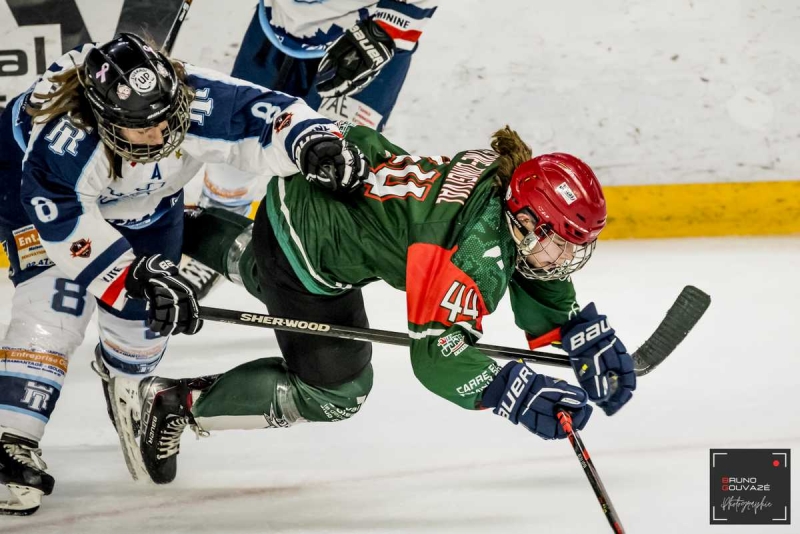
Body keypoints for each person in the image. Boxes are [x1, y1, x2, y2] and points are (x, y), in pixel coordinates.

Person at [109, 125, 638, 485]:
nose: (566, 256)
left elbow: (527, 267)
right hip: (310, 248)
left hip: (320, 198)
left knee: (265, 262)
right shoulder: (473, 254)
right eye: (561, 241)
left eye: (575, 244)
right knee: (339, 390)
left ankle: (171, 225)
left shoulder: (501, 182)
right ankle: (169, 405)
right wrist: (512, 391)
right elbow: (438, 358)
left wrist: (574, 330)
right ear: (524, 219)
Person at [0, 32, 369, 514]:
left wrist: (313, 142)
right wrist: (125, 274)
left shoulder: (194, 95)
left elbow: (271, 114)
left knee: (147, 319)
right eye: (144, 130)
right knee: (55, 308)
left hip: (150, 203)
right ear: (106, 120)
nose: (163, 135)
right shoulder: (64, 140)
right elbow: (63, 216)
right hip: (32, 198)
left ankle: (130, 391)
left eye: (166, 118)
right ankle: (13, 441)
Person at [181, 0, 438, 295]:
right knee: (233, 137)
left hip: (367, 33)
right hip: (277, 24)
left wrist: (388, 27)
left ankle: (325, 275)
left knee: (338, 164)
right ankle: (219, 237)